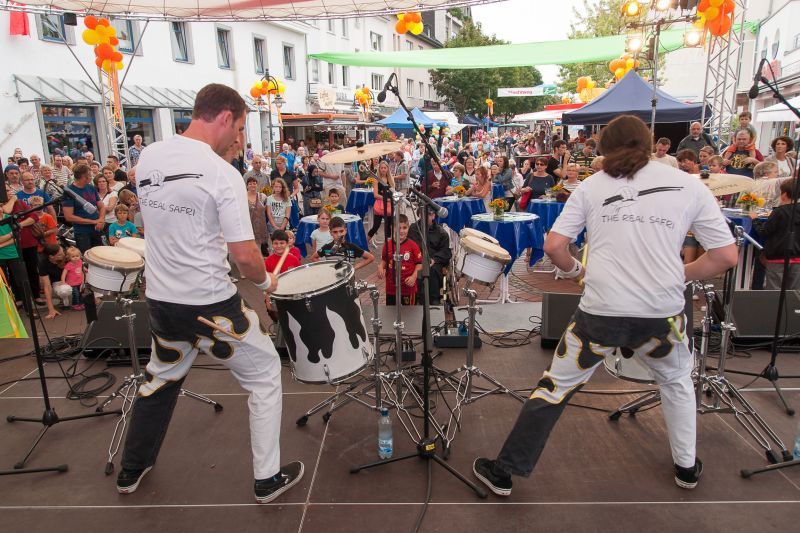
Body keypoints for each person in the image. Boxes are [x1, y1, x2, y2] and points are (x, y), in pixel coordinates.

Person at [472, 114, 738, 497]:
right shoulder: (688, 185)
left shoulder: (592, 185)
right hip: (662, 313)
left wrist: (578, 271)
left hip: (600, 311)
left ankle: (504, 471)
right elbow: (726, 256)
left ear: (604, 149)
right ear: (650, 144)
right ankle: (686, 467)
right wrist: (680, 275)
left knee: (556, 387)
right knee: (677, 383)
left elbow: (553, 246)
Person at [117, 83, 303, 503]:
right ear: (224, 117)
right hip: (210, 305)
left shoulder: (150, 156)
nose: (238, 139)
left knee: (161, 378)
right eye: (238, 129)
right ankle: (267, 479)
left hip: (162, 301)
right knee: (265, 373)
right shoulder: (221, 174)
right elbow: (245, 257)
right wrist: (267, 284)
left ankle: (132, 469)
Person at [751, 179, 800, 289]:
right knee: (794, 294)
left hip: (778, 257)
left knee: (774, 293)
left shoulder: (779, 211)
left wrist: (755, 220)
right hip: (798, 258)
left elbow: (764, 231)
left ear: (784, 195)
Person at [408, 208, 451, 305]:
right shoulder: (413, 229)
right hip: (417, 260)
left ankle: (434, 299)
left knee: (433, 270)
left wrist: (434, 259)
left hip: (434, 262)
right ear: (419, 215)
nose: (425, 217)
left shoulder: (441, 233)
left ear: (433, 216)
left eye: (428, 215)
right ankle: (416, 297)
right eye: (422, 214)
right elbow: (410, 246)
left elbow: (446, 252)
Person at [378, 214, 422, 306]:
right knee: (391, 312)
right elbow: (384, 260)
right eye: (398, 228)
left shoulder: (413, 245)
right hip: (391, 288)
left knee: (409, 313)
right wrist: (381, 267)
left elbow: (419, 264)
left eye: (404, 228)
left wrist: (414, 277)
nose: (401, 231)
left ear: (408, 228)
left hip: (408, 288)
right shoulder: (387, 245)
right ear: (392, 228)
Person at [62, 163, 105, 254]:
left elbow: (101, 206)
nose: (91, 177)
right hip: (82, 232)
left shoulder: (91, 187)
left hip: (96, 229)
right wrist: (94, 221)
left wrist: (101, 220)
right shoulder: (69, 192)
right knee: (86, 255)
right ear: (84, 177)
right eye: (90, 175)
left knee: (101, 254)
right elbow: (69, 216)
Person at [37, 243, 73, 318]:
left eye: (63, 251)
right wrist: (51, 309)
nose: (63, 254)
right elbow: (47, 286)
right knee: (64, 290)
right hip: (58, 282)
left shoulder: (67, 256)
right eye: (60, 254)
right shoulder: (43, 263)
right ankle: (64, 298)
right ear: (51, 257)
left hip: (73, 279)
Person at [367, 160, 396, 243]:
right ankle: (365, 243)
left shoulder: (391, 179)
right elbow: (375, 195)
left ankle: (388, 245)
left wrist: (392, 199)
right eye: (381, 168)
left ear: (387, 169)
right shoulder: (376, 179)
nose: (383, 169)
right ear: (379, 169)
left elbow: (393, 192)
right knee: (376, 226)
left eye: (385, 168)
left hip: (389, 206)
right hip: (380, 205)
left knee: (389, 226)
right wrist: (387, 199)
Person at [245, 177, 269, 255]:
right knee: (250, 250)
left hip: (261, 225)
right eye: (250, 184)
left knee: (264, 252)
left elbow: (267, 209)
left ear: (257, 185)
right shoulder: (243, 197)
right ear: (247, 186)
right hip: (249, 225)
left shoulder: (263, 196)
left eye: (254, 183)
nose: (252, 185)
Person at [60, 246, 85, 310]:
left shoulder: (80, 261)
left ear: (80, 256)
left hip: (80, 281)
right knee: (75, 294)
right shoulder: (68, 265)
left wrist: (85, 269)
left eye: (77, 256)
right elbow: (64, 274)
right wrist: (63, 282)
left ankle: (81, 303)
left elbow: (82, 269)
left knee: (81, 293)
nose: (75, 258)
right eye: (73, 256)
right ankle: (75, 304)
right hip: (72, 283)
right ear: (69, 257)